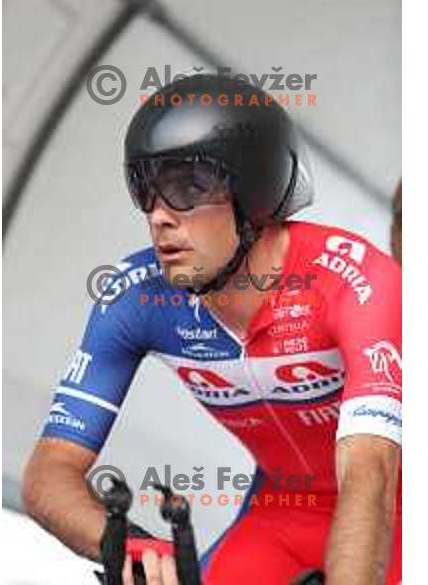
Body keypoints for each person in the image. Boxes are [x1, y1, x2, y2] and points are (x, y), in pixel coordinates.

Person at [22, 74, 402, 585]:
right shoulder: (135, 297)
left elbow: (371, 474)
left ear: (256, 193)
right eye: (146, 190)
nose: (158, 216)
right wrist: (133, 547)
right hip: (282, 512)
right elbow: (48, 475)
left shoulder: (360, 281)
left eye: (187, 188)